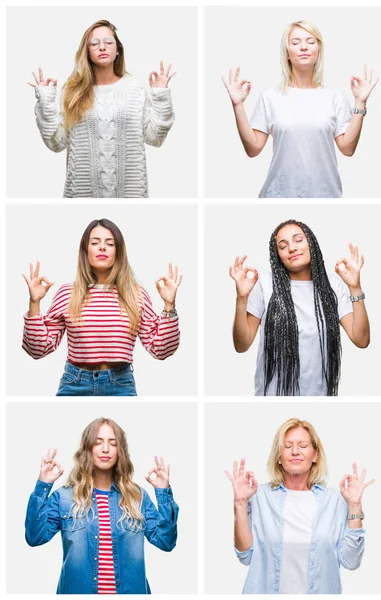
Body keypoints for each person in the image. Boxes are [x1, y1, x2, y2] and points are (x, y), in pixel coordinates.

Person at [22, 218, 182, 396]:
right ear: (86, 251)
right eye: (95, 242)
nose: (102, 247)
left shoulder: (136, 294)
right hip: (74, 385)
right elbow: (37, 350)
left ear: (118, 252)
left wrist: (169, 305)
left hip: (121, 385)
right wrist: (34, 303)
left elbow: (161, 350)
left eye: (110, 243)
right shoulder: (68, 293)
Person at [221, 20, 379, 198]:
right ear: (287, 53)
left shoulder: (334, 97)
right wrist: (238, 105)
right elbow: (253, 149)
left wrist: (360, 102)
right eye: (295, 43)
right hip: (278, 195)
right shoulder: (271, 97)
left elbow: (347, 148)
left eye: (310, 42)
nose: (304, 47)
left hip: (324, 195)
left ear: (318, 51)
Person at [25, 417, 178, 594]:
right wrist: (43, 485)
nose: (105, 449)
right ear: (87, 448)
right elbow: (35, 537)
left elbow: (166, 542)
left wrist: (163, 493)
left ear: (120, 451)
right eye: (98, 442)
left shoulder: (138, 497)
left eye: (113, 443)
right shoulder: (64, 497)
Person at [29, 19, 176, 198]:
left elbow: (155, 138)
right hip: (82, 196)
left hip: (130, 196)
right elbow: (56, 143)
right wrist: (46, 102)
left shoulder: (134, 90)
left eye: (108, 42)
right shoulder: (72, 92)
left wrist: (160, 94)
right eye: (94, 43)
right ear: (87, 51)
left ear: (117, 51)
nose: (102, 47)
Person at [225, 418, 373, 594]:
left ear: (315, 455)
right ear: (278, 457)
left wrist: (355, 506)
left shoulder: (335, 500)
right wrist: (240, 504)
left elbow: (351, 561)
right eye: (287, 446)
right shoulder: (259, 496)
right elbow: (245, 555)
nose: (295, 451)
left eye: (303, 446)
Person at [230, 219, 370, 396]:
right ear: (277, 255)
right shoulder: (265, 284)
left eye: (298, 240)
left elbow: (361, 339)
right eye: (283, 246)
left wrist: (355, 287)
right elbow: (241, 345)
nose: (292, 248)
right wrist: (242, 298)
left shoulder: (333, 286)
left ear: (311, 242)